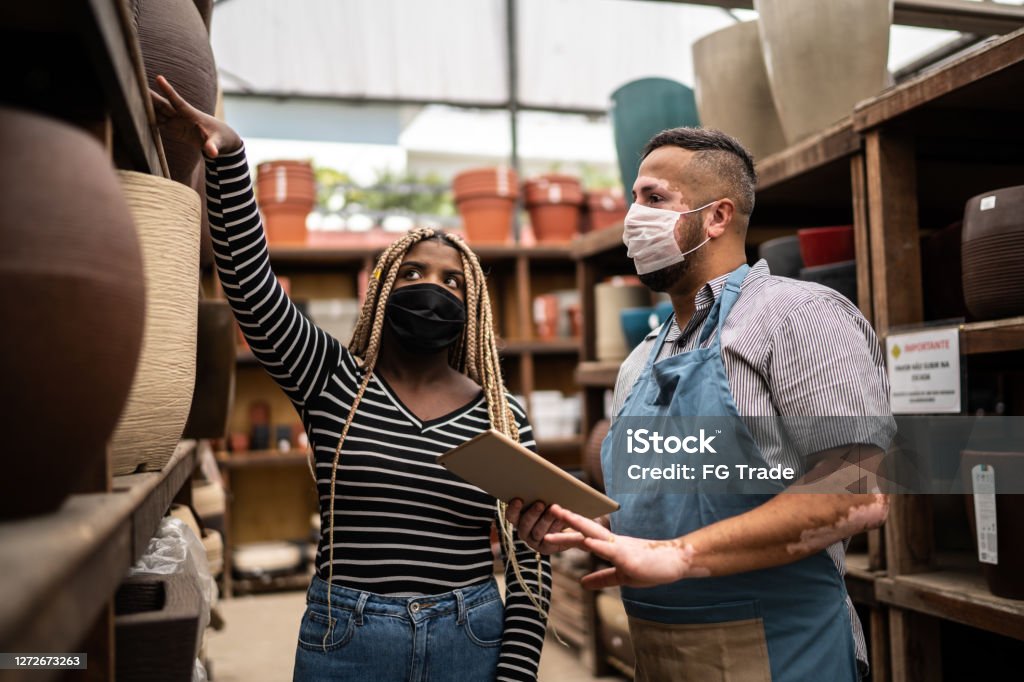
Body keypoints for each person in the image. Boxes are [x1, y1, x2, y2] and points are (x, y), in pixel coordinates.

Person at [152, 75, 551, 682]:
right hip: (349, 638)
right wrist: (232, 163)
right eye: (414, 272)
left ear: (473, 308)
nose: (433, 288)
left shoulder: (501, 414)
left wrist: (516, 674)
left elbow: (530, 565)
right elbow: (252, 291)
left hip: (470, 634)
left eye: (453, 282)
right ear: (383, 290)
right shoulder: (331, 378)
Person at [509, 127, 894, 681]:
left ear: (716, 217)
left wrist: (679, 556)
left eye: (654, 199)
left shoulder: (798, 316)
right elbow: (669, 502)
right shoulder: (639, 361)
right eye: (633, 200)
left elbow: (857, 492)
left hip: (785, 650)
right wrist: (578, 526)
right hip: (661, 654)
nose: (633, 218)